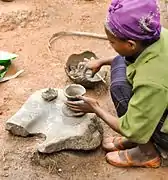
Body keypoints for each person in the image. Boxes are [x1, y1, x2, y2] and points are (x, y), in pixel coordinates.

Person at [66, 0, 168, 168]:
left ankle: (146, 153)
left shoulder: (151, 82)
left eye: (112, 42)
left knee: (120, 90)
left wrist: (96, 109)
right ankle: (139, 141)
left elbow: (133, 128)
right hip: (161, 94)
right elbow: (134, 58)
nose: (110, 45)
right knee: (120, 63)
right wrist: (101, 61)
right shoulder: (157, 34)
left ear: (130, 44)